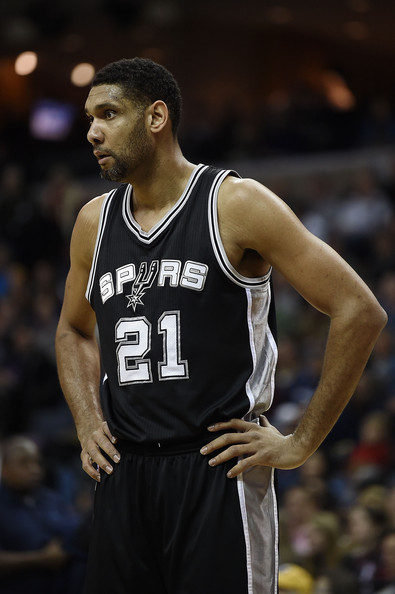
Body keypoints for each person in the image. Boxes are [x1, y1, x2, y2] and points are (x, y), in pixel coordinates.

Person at [55, 57, 387, 594]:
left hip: (217, 473)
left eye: (109, 113)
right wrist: (87, 419)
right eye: (89, 117)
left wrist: (302, 442)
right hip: (125, 475)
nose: (92, 131)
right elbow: (73, 330)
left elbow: (359, 309)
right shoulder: (94, 221)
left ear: (156, 117)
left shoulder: (234, 203)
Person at [0, 435, 86, 593]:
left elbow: (76, 529)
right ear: (4, 468)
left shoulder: (51, 499)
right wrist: (40, 559)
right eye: (24, 462)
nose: (35, 469)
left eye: (38, 462)